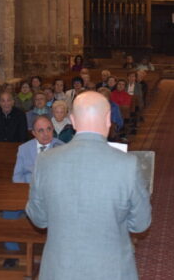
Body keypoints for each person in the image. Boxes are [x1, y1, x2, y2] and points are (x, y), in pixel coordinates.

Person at [26, 91, 151, 280]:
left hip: (60, 269)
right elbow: (141, 224)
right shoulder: (128, 164)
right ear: (108, 119)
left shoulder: (45, 161)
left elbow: (39, 219)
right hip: (110, 270)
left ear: (73, 120)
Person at [2, 115, 64, 267]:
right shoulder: (24, 149)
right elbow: (17, 175)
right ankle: (12, 253)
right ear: (34, 133)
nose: (46, 134)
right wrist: (26, 192)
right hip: (27, 192)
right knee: (9, 212)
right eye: (41, 130)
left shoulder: (62, 147)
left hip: (53, 195)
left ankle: (56, 254)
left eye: (49, 129)